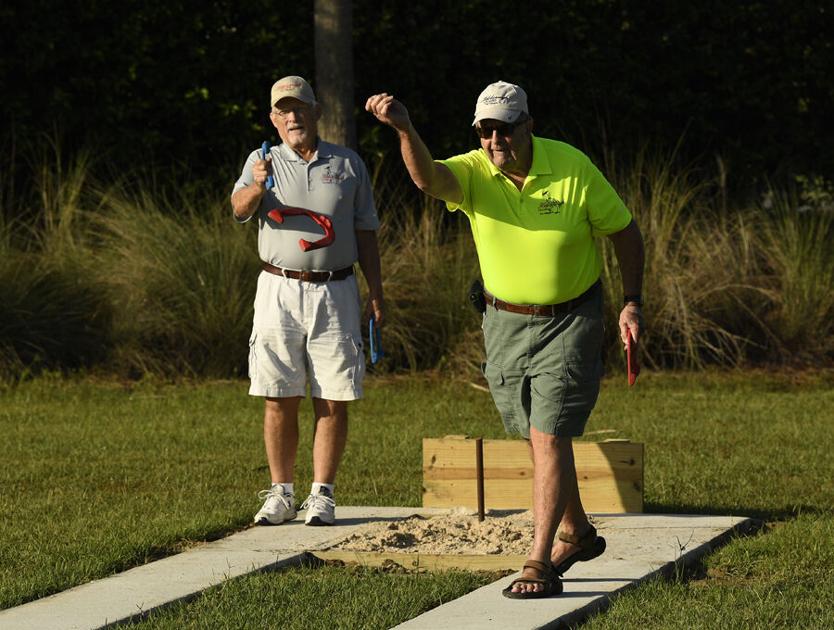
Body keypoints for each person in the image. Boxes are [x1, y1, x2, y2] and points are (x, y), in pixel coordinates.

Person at [366, 81, 644, 598]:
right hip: (503, 323)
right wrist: (405, 129)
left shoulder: (572, 167)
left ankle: (538, 561)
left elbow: (626, 231)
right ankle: (578, 531)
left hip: (570, 317)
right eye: (485, 130)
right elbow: (428, 181)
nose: (494, 140)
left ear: (528, 126)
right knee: (533, 433)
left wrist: (631, 302)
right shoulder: (475, 171)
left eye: (504, 129)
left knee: (549, 435)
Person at [232, 75, 383, 527]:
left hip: (336, 288)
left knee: (333, 395)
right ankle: (280, 492)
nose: (293, 117)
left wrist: (376, 292)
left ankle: (322, 493)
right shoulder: (261, 160)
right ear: (274, 119)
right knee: (278, 393)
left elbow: (366, 232)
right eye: (284, 110)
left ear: (317, 113)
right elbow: (239, 209)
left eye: (301, 108)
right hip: (278, 288)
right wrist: (257, 187)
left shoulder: (348, 163)